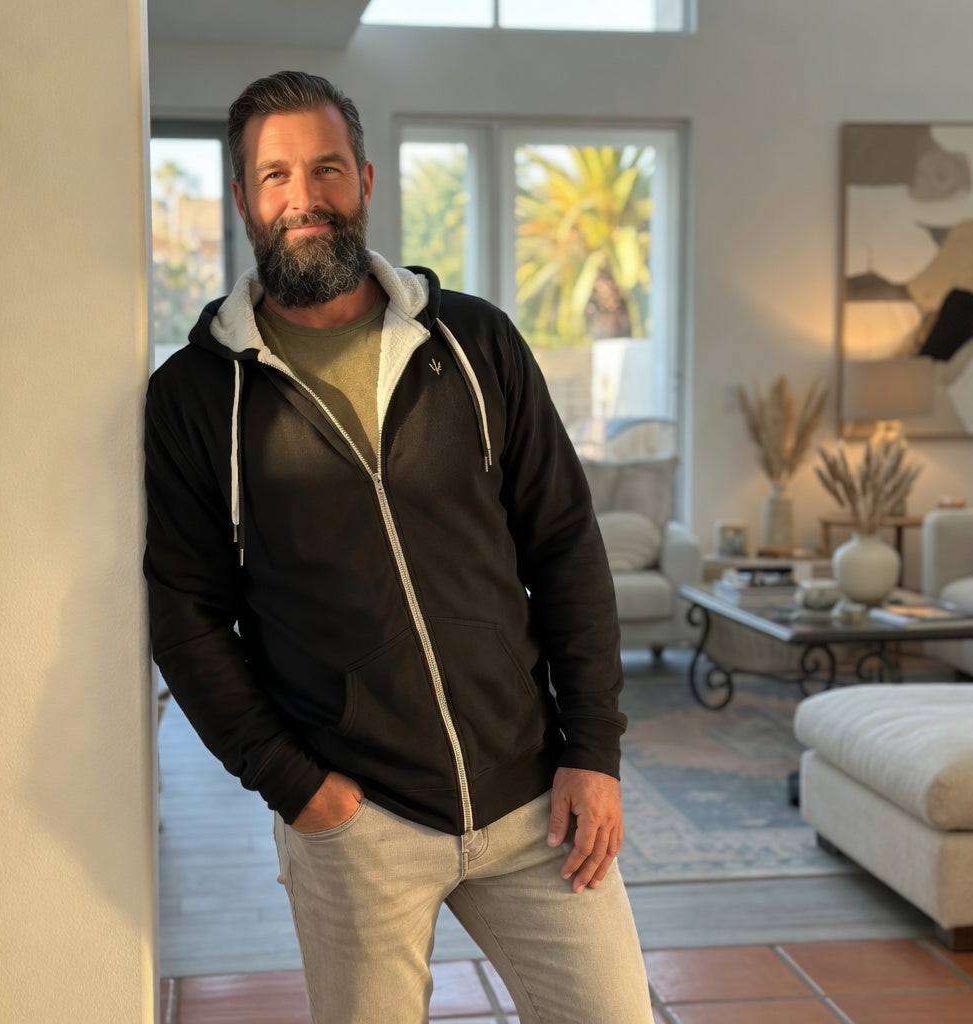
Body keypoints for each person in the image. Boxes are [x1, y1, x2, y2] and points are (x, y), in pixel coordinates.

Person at [144, 70, 654, 1024]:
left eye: (327, 168)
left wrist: (595, 750)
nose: (306, 198)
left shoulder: (472, 342)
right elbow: (185, 615)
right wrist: (300, 790)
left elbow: (567, 549)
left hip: (535, 802)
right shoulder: (194, 397)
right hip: (357, 824)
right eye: (277, 175)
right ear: (244, 199)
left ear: (366, 180)